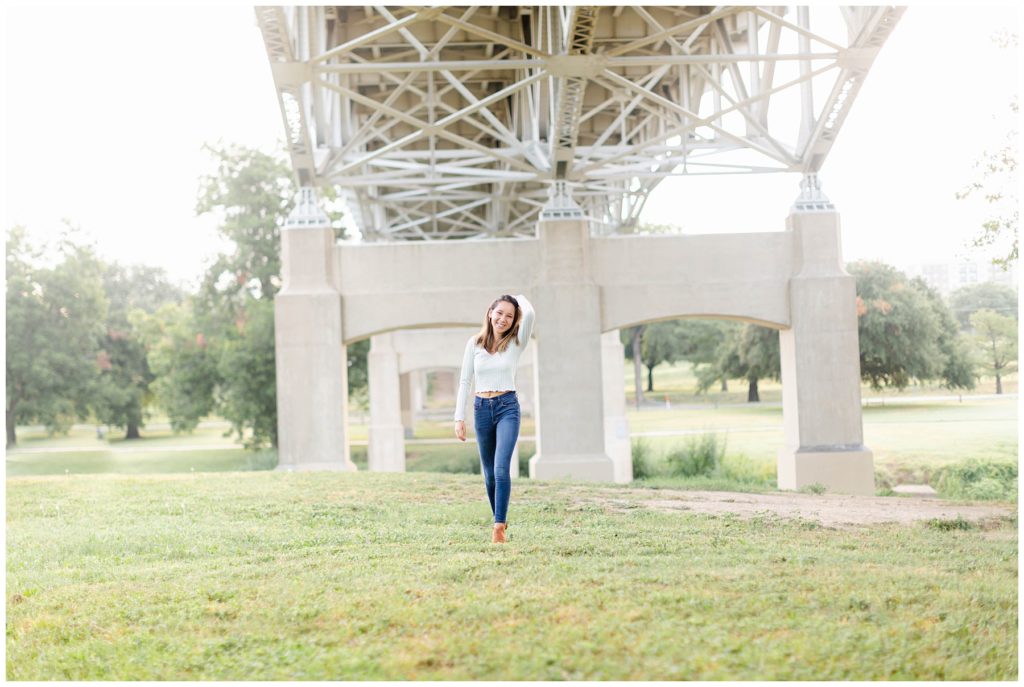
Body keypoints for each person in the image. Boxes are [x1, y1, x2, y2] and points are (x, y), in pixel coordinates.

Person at [454, 293, 535, 544]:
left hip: (507, 407)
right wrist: (459, 417)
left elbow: (529, 313)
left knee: (501, 469)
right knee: (488, 474)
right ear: (490, 313)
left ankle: (498, 526)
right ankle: (498, 518)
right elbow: (465, 381)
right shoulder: (474, 344)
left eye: (509, 316)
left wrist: (517, 298)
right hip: (481, 409)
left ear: (513, 322)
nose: (503, 319)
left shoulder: (516, 344)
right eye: (499, 313)